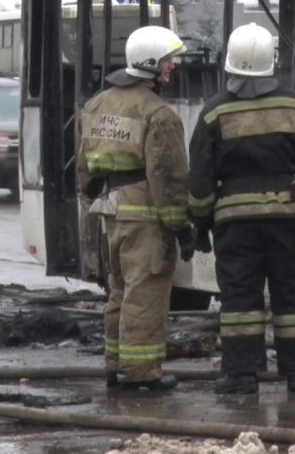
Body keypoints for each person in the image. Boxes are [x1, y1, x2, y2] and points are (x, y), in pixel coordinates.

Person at [188, 23, 295, 395]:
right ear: (271, 64)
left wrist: (199, 224)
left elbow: (199, 180)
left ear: (230, 64)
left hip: (235, 227)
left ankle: (241, 376)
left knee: (240, 300)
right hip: (291, 222)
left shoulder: (213, 114)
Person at [76, 25, 194, 393]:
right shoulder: (158, 114)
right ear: (148, 65)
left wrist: (97, 195)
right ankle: (141, 374)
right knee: (145, 293)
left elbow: (84, 167)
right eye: (166, 60)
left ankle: (115, 366)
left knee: (119, 292)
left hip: (110, 212)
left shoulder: (97, 105)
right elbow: (168, 178)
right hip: (146, 217)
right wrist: (180, 227)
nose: (172, 66)